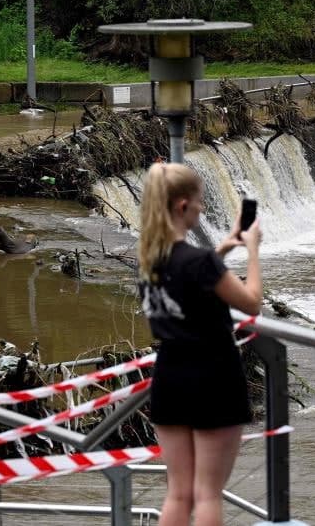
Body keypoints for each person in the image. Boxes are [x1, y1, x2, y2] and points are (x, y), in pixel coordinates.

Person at [137, 162, 262, 526]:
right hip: (213, 377)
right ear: (181, 206)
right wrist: (252, 249)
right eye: (199, 202)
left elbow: (188, 282)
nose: (203, 208)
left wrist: (221, 250)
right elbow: (251, 302)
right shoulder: (199, 261)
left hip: (170, 378)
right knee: (208, 494)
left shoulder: (148, 260)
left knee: (179, 492)